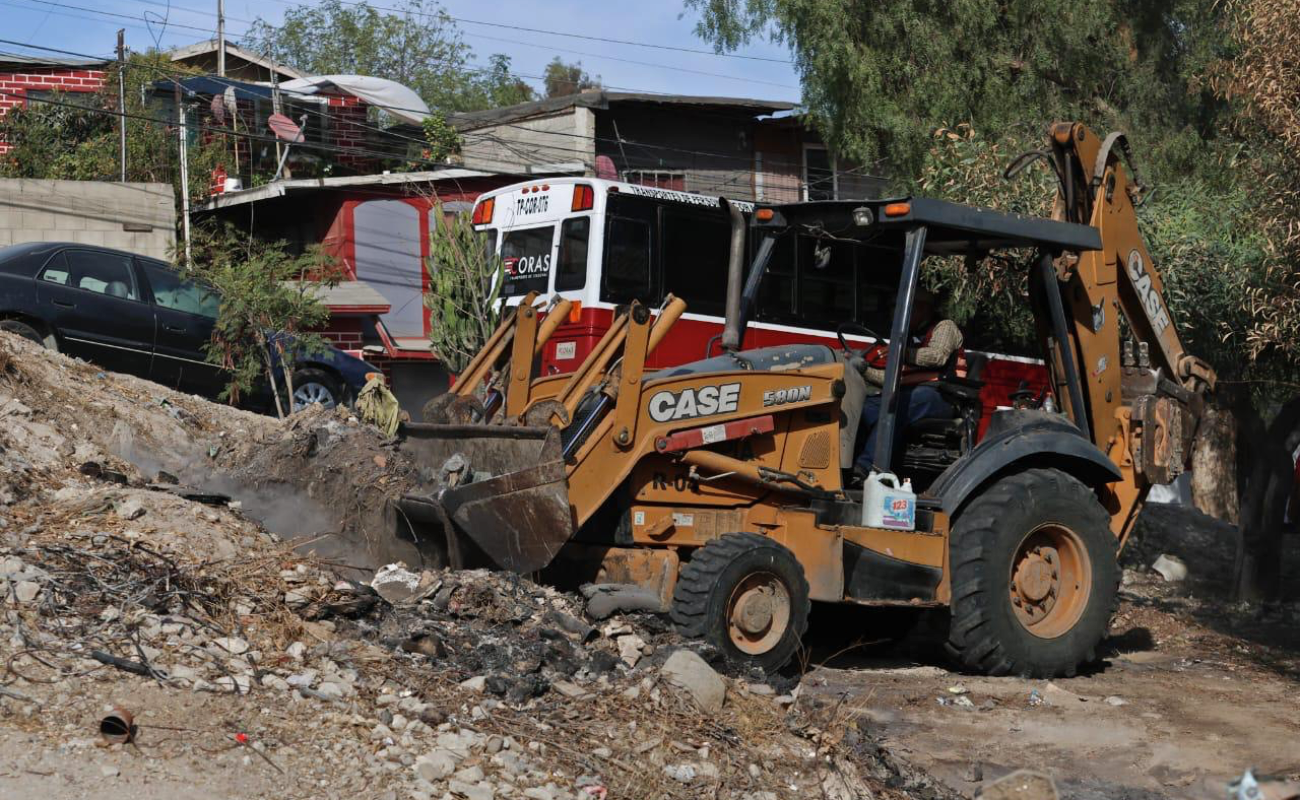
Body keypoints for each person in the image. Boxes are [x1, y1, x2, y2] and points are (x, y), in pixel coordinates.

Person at [855, 288, 963, 477]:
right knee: (864, 407)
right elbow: (889, 379)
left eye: (904, 309)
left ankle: (867, 468)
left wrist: (902, 353)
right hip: (912, 392)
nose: (896, 314)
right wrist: (862, 368)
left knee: (899, 404)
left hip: (942, 395)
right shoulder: (908, 336)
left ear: (922, 308)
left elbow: (937, 357)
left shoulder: (944, 327)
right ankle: (848, 464)